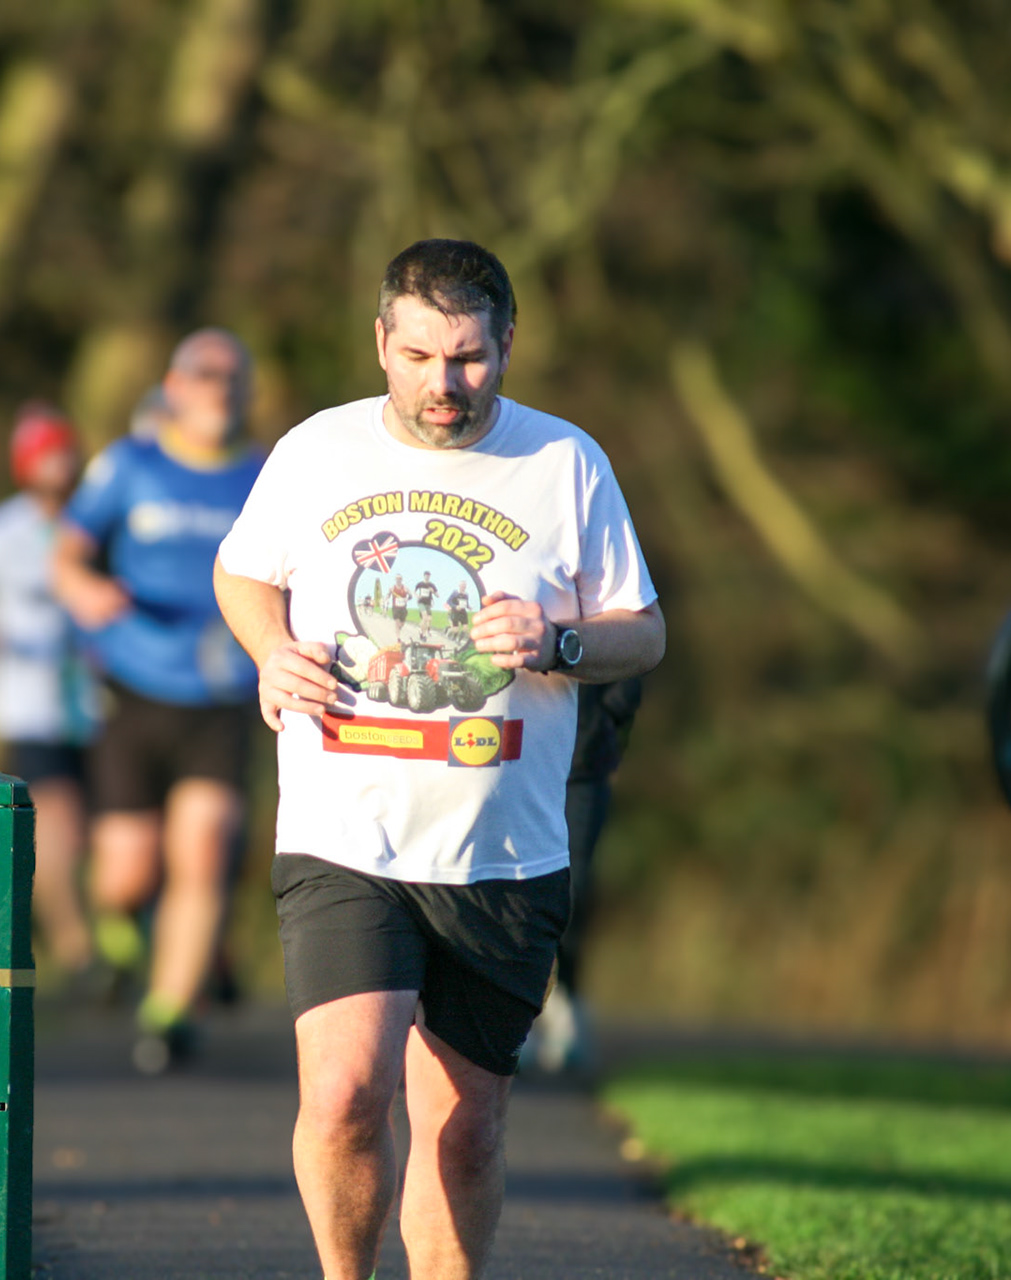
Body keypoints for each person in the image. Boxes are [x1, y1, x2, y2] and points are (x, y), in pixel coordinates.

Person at [213, 239, 664, 1280]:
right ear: (380, 342)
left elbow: (643, 629)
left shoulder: (564, 464)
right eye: (418, 355)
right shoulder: (316, 450)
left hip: (502, 848)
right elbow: (244, 573)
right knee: (341, 1095)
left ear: (508, 344)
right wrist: (272, 650)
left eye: (466, 358)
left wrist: (558, 642)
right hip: (344, 831)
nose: (442, 383)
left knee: (463, 1127)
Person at [51, 327, 265, 1073]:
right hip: (133, 684)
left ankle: (168, 1012)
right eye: (204, 374)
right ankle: (117, 931)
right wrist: (82, 589)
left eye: (233, 376)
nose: (219, 388)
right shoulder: (129, 465)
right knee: (128, 871)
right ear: (173, 387)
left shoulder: (269, 475)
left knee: (202, 851)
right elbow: (68, 551)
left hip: (224, 689)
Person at [0, 403, 100, 977]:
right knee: (59, 824)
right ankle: (79, 953)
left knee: (110, 834)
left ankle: (115, 936)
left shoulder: (99, 524)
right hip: (29, 707)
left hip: (102, 704)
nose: (57, 468)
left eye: (64, 455)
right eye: (44, 458)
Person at [526, 675, 645, 1075]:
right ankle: (516, 1017)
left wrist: (611, 722)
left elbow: (630, 650)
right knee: (513, 887)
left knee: (573, 887)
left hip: (584, 765)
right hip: (521, 762)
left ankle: (565, 1001)